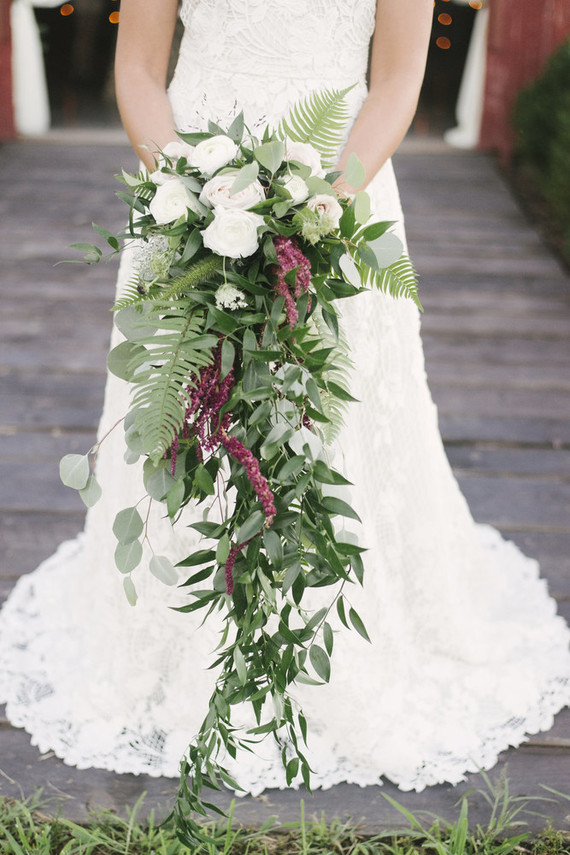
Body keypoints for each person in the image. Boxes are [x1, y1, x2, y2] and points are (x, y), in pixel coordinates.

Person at [0, 0, 569, 794]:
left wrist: (325, 203)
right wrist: (186, 193)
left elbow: (399, 76)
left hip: (337, 195)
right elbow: (137, 68)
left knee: (332, 417)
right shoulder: (185, 191)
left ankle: (325, 645)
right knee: (181, 408)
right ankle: (178, 638)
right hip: (190, 194)